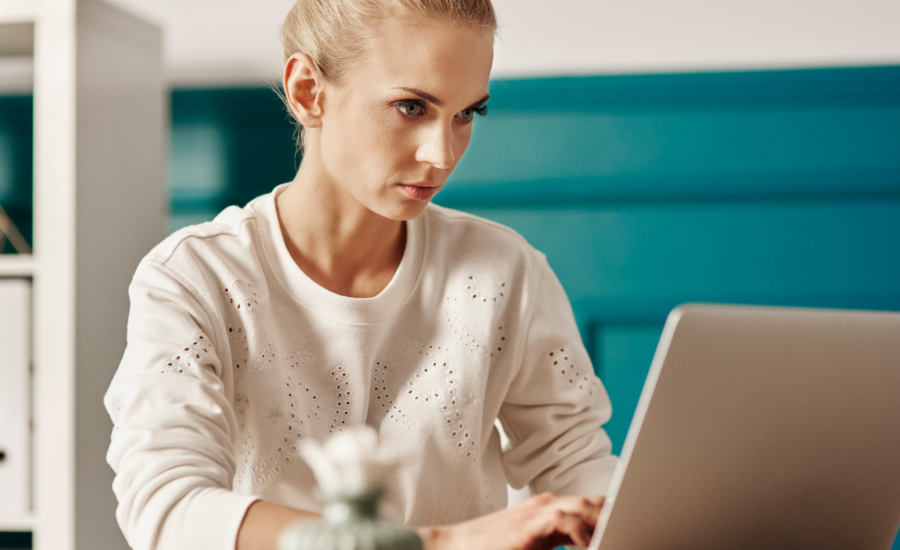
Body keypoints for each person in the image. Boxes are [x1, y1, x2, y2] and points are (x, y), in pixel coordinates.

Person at [104, 0, 618, 549]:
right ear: (308, 92)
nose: (442, 154)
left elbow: (579, 467)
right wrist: (437, 542)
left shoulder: (505, 270)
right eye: (411, 107)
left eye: (468, 113)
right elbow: (169, 510)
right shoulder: (194, 277)